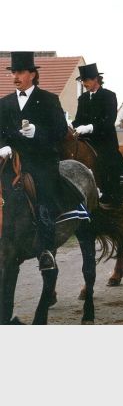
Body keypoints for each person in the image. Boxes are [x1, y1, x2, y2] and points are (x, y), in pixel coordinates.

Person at [0, 51, 68, 270]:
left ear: (32, 74)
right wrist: (4, 146)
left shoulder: (49, 99)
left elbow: (59, 132)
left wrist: (38, 132)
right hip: (12, 160)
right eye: (13, 73)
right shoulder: (5, 102)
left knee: (42, 193)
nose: (15, 77)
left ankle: (47, 250)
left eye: (19, 72)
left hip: (41, 161)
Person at [72, 63, 123, 206]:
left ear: (96, 79)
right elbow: (78, 119)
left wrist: (90, 127)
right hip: (85, 140)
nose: (84, 83)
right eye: (82, 81)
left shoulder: (109, 96)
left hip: (104, 140)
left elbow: (109, 121)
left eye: (86, 80)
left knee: (108, 161)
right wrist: (72, 126)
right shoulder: (82, 98)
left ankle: (111, 195)